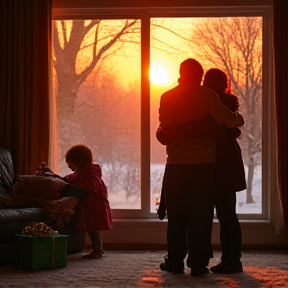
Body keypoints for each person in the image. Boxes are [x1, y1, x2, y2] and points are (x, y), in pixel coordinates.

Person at [157, 58, 244, 276]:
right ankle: (198, 263)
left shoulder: (167, 97)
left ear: (180, 72)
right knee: (201, 215)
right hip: (204, 164)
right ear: (199, 74)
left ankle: (175, 260)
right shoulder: (207, 96)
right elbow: (228, 119)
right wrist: (238, 119)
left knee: (176, 215)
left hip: (176, 162)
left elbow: (165, 127)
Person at [61, 144, 113, 259]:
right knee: (91, 228)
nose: (69, 166)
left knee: (93, 228)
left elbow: (90, 185)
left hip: (95, 205)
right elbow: (73, 177)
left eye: (70, 163)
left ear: (78, 162)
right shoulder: (82, 172)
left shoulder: (91, 173)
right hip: (90, 205)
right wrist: (63, 179)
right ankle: (98, 250)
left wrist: (73, 187)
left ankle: (98, 250)